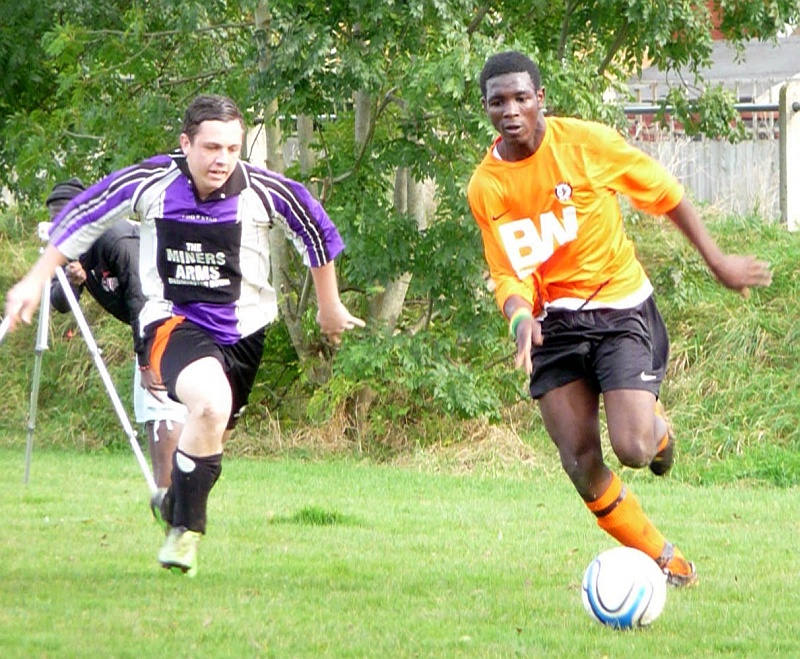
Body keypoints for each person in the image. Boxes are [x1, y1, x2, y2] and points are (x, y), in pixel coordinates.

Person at [5, 94, 365, 577]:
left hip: (246, 332)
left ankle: (173, 502)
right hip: (172, 322)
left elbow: (316, 231)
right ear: (185, 143)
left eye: (233, 148)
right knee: (210, 404)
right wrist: (34, 279)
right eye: (211, 147)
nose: (222, 160)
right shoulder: (151, 182)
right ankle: (185, 530)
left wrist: (329, 306)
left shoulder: (266, 191)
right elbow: (84, 215)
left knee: (212, 429)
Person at [467, 51, 772, 587]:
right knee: (580, 462)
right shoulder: (486, 187)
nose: (511, 110)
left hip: (619, 307)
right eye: (498, 101)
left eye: (521, 97)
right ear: (486, 109)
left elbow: (666, 193)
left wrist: (718, 261)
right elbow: (507, 272)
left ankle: (657, 434)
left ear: (542, 100)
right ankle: (666, 560)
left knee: (631, 448)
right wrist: (519, 319)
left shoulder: (587, 146)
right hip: (552, 325)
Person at [45, 178, 186, 489]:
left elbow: (141, 298)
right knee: (150, 412)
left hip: (167, 318)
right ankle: (166, 493)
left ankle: (171, 495)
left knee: (162, 405)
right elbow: (59, 304)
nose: (61, 229)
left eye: (64, 219)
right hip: (150, 323)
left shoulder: (116, 237)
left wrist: (146, 359)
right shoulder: (72, 248)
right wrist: (73, 281)